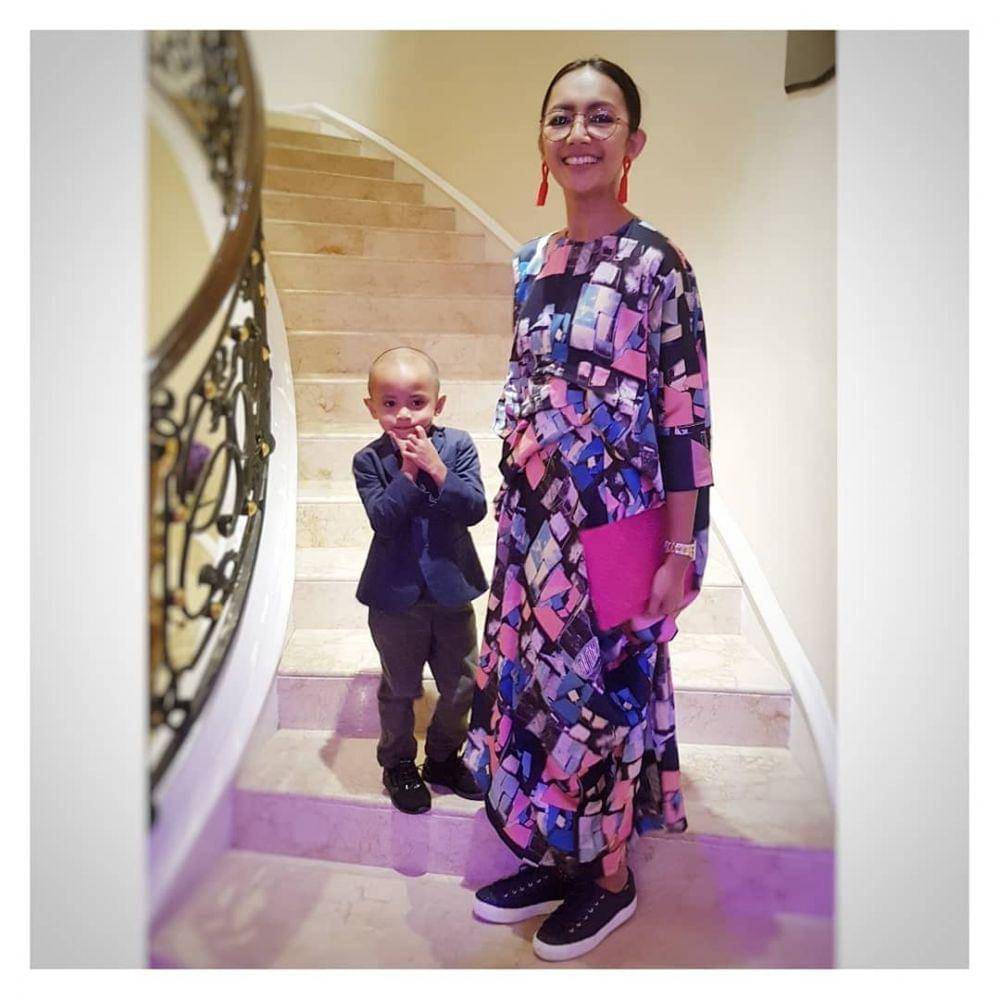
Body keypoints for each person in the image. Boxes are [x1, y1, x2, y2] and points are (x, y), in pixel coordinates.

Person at [462, 58, 714, 962]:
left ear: (631, 142)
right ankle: (553, 854)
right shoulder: (530, 263)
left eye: (600, 118)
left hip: (617, 531)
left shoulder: (659, 265)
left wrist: (679, 550)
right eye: (561, 117)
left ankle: (607, 880)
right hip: (533, 531)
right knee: (534, 695)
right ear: (542, 140)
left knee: (601, 702)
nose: (579, 134)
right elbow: (530, 389)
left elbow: (684, 418)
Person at [352, 347, 489, 814]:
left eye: (416, 402)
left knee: (463, 683)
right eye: (389, 404)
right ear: (372, 407)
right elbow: (383, 519)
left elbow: (474, 508)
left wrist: (437, 468)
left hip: (451, 591)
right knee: (400, 687)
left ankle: (443, 757)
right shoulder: (368, 460)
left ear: (438, 404)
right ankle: (398, 764)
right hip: (394, 598)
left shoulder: (457, 446)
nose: (404, 415)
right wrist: (409, 472)